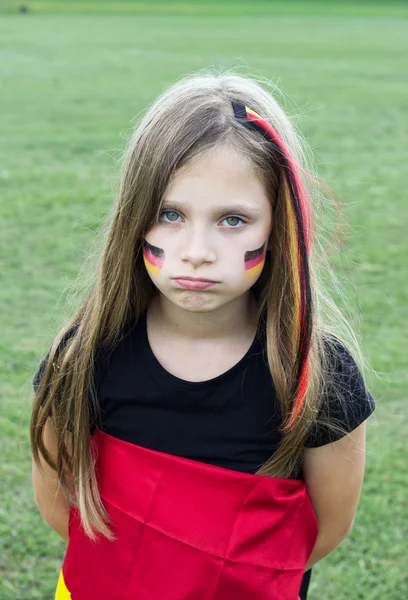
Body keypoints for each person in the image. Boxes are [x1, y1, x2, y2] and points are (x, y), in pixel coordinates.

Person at [31, 70, 376, 600]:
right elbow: (61, 502)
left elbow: (323, 530)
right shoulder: (84, 356)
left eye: (233, 220)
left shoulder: (318, 375)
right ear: (133, 218)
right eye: (170, 214)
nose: (197, 249)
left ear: (279, 224)